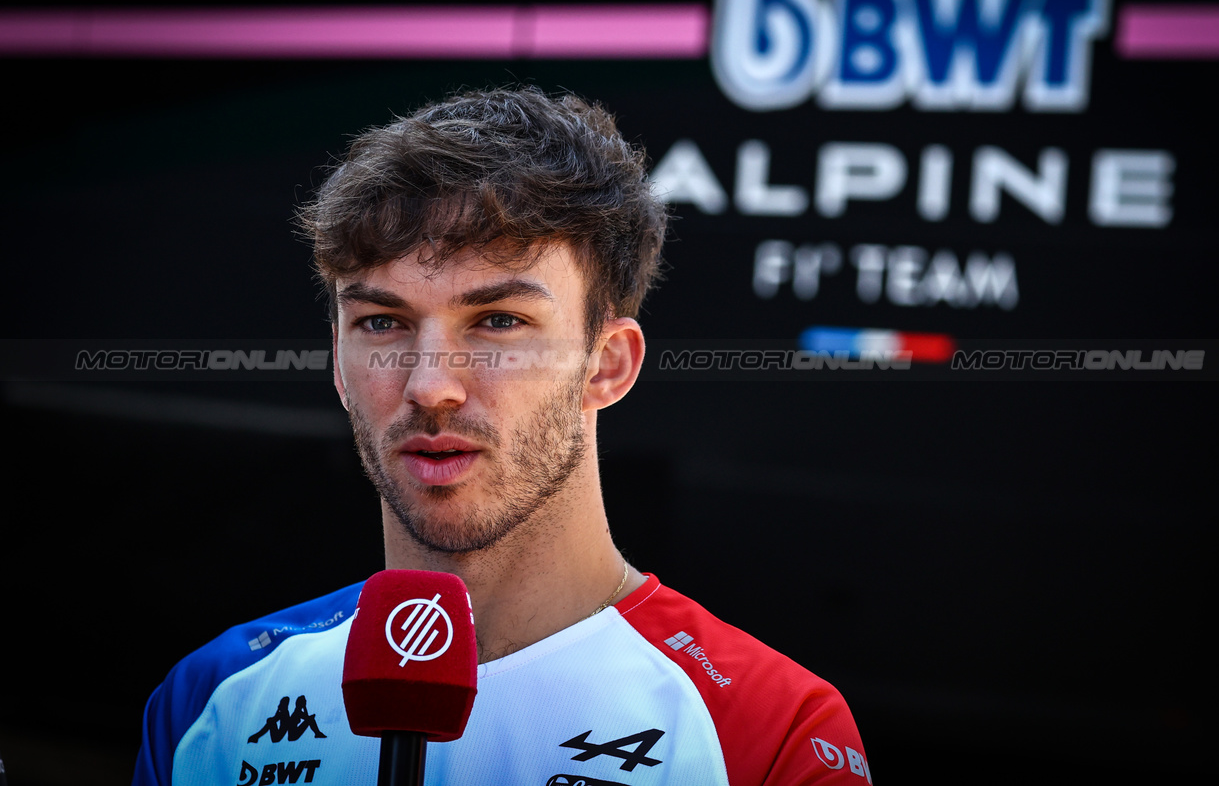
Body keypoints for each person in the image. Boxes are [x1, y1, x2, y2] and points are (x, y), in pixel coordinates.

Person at [133, 86, 871, 785]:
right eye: (382, 323)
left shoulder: (767, 728)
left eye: (497, 322)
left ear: (606, 366)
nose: (429, 386)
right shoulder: (216, 698)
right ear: (337, 363)